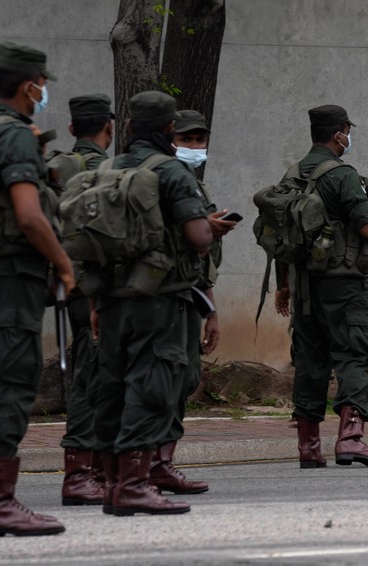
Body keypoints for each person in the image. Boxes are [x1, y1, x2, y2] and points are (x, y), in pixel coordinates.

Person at [91, 91, 213, 516]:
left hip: (109, 297)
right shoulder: (172, 172)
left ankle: (110, 484)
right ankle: (136, 484)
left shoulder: (108, 167)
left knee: (112, 387)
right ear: (168, 130)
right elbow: (199, 238)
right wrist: (211, 229)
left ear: (126, 127)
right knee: (152, 387)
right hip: (158, 300)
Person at [0, 41, 73, 537]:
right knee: (12, 380)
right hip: (14, 274)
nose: (44, 90)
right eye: (41, 82)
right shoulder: (11, 135)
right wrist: (64, 264)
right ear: (26, 84)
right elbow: (30, 217)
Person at [275, 104, 368, 468]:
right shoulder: (342, 175)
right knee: (357, 353)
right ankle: (351, 438)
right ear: (340, 132)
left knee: (310, 361)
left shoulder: (292, 175)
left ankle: (309, 448)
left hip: (303, 285)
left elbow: (282, 236)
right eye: (347, 130)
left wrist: (283, 287)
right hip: (343, 285)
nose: (348, 137)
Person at [147, 110, 237, 495]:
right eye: (188, 140)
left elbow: (200, 261)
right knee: (158, 381)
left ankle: (161, 462)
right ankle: (144, 465)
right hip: (157, 296)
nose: (196, 148)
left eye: (201, 141)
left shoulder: (196, 189)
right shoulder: (159, 180)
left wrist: (211, 311)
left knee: (185, 378)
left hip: (189, 294)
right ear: (171, 140)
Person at [59, 94, 114, 507]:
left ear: (73, 129)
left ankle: (95, 469)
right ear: (108, 131)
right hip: (99, 289)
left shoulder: (57, 166)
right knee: (93, 379)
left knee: (91, 372)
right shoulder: (106, 172)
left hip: (68, 286)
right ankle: (81, 474)